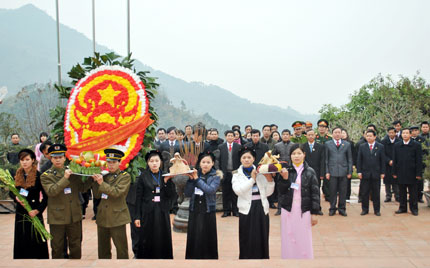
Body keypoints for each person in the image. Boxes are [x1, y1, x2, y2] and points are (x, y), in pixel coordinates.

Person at [40, 144, 92, 259]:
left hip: (74, 214)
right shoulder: (46, 175)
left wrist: (92, 177)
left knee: (76, 245)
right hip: (57, 216)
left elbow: (82, 188)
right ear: (51, 158)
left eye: (60, 157)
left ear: (64, 158)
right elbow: (52, 191)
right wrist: (65, 178)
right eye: (55, 157)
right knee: (57, 247)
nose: (58, 160)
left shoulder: (73, 172)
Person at [278, 144, 320, 259]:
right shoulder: (286, 171)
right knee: (288, 237)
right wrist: (285, 179)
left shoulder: (310, 172)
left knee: (303, 237)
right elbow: (280, 191)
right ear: (290, 156)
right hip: (288, 209)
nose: (296, 156)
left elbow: (315, 194)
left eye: (299, 153)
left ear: (304, 155)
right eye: (294, 154)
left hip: (304, 210)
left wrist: (314, 213)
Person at [232, 147, 275, 259]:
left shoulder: (261, 171)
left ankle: (263, 258)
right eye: (244, 157)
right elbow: (238, 191)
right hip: (246, 208)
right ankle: (246, 259)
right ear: (240, 160)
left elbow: (268, 193)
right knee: (246, 235)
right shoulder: (236, 174)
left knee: (262, 234)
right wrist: (252, 180)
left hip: (261, 207)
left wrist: (270, 180)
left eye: (249, 157)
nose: (246, 160)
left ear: (253, 159)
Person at [134, 150, 175, 259]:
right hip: (147, 211)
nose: (154, 163)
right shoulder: (143, 176)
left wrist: (166, 183)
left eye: (157, 160)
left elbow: (172, 195)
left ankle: (163, 258)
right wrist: (137, 216)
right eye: (151, 161)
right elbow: (138, 198)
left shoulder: (166, 175)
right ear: (148, 162)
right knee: (148, 235)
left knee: (162, 235)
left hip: (162, 210)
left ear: (160, 162)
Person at [91, 148, 131, 259]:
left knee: (121, 249)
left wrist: (101, 183)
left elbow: (117, 193)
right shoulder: (104, 175)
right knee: (103, 250)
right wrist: (94, 182)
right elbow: (97, 195)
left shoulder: (125, 177)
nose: (111, 165)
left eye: (114, 162)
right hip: (103, 216)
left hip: (117, 217)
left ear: (119, 162)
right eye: (109, 162)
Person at [10, 149, 49, 259]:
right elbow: (11, 191)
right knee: (22, 237)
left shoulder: (39, 176)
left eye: (27, 159)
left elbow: (46, 197)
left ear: (33, 160)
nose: (24, 162)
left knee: (36, 237)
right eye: (22, 160)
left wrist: (37, 210)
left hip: (34, 211)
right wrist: (16, 197)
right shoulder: (16, 175)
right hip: (21, 212)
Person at [184, 151, 221, 259]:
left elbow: (210, 190)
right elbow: (187, 193)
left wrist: (196, 179)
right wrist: (191, 180)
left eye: (208, 162)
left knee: (208, 233)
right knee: (194, 233)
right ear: (199, 163)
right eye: (203, 162)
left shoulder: (216, 176)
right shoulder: (195, 174)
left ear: (213, 163)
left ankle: (209, 257)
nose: (205, 164)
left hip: (208, 208)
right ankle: (193, 256)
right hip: (195, 207)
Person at [393, 128, 423, 216]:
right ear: (401, 135)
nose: (405, 135)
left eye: (407, 133)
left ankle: (414, 208)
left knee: (413, 192)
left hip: (412, 173)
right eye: (403, 133)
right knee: (401, 192)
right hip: (400, 172)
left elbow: (419, 160)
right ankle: (402, 208)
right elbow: (395, 159)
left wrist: (418, 173)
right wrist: (394, 172)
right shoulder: (397, 145)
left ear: (410, 134)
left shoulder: (416, 145)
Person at [356, 130, 385, 216]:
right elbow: (359, 160)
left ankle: (377, 210)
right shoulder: (362, 146)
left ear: (375, 137)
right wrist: (359, 171)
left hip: (376, 173)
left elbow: (382, 160)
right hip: (365, 173)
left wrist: (383, 172)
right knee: (364, 193)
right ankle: (365, 209)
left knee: (376, 193)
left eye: (370, 136)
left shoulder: (380, 147)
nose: (368, 137)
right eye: (367, 136)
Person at [325, 127, 353, 216]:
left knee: (343, 191)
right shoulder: (327, 144)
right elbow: (326, 159)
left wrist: (350, 171)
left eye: (339, 132)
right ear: (332, 134)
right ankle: (332, 208)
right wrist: (327, 172)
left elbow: (349, 159)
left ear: (341, 134)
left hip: (343, 171)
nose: (337, 134)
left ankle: (342, 208)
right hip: (332, 171)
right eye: (335, 132)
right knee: (332, 191)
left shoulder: (347, 144)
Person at [218, 130, 241, 217]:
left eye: (232, 135)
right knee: (225, 193)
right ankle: (226, 211)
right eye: (228, 135)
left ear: (234, 137)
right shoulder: (221, 147)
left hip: (235, 173)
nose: (230, 137)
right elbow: (219, 160)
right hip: (225, 173)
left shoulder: (238, 146)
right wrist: (220, 171)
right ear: (225, 137)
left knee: (235, 193)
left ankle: (235, 211)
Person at [303, 130, 325, 215]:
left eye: (312, 135)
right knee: (306, 191)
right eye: (309, 135)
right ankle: (307, 208)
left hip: (317, 172)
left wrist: (322, 173)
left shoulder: (320, 146)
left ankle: (317, 208)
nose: (311, 136)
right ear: (306, 136)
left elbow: (322, 161)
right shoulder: (303, 146)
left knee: (316, 191)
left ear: (315, 135)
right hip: (306, 171)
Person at [381, 127, 400, 202]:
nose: (391, 134)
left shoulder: (399, 141)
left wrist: (395, 161)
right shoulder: (384, 142)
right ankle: (388, 196)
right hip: (387, 165)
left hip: (396, 164)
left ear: (395, 133)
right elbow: (382, 154)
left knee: (396, 180)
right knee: (387, 181)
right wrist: (388, 161)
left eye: (393, 132)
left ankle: (397, 195)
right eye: (390, 132)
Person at [410, 125, 426, 203]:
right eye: (413, 131)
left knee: (420, 181)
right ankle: (411, 196)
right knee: (410, 182)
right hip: (410, 165)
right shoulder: (407, 140)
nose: (414, 132)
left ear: (418, 131)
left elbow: (426, 151)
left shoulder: (422, 140)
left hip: (420, 163)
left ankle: (420, 197)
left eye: (416, 130)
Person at [341, 129, 356, 201]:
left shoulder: (351, 143)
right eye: (342, 133)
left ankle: (347, 196)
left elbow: (353, 154)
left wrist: (353, 164)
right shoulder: (338, 143)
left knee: (348, 181)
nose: (343, 134)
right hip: (340, 164)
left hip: (348, 164)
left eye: (344, 133)